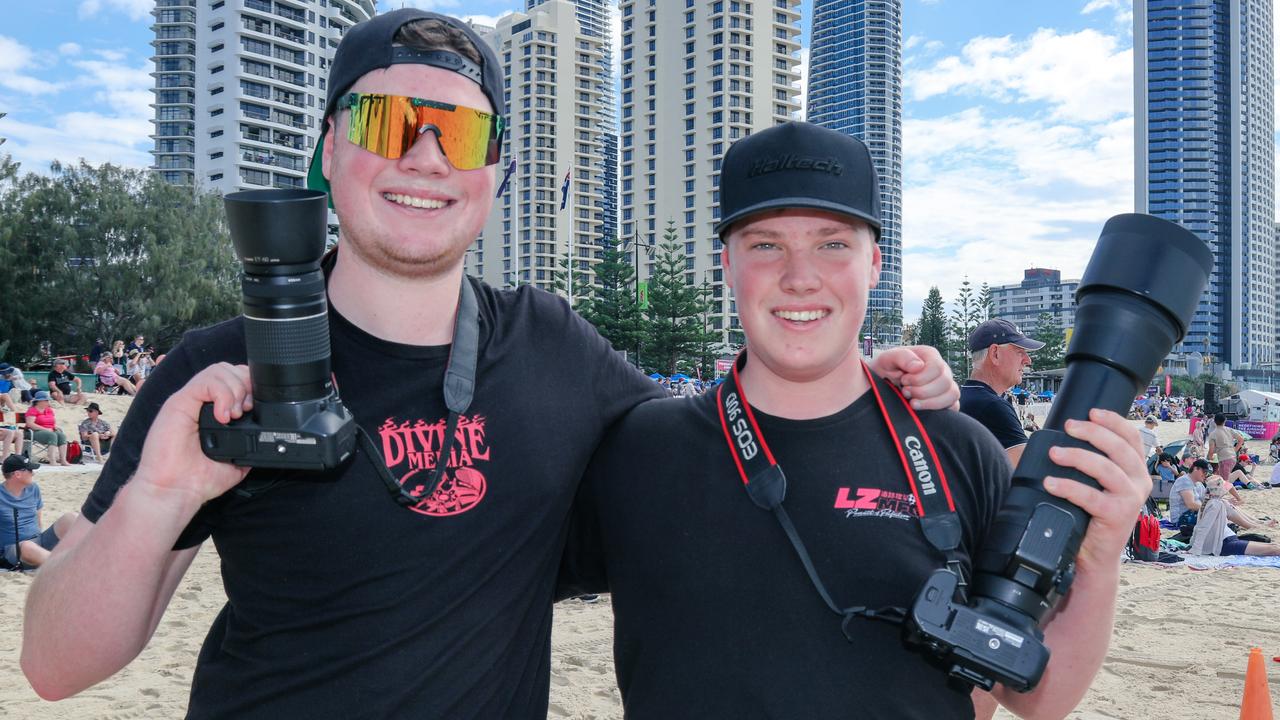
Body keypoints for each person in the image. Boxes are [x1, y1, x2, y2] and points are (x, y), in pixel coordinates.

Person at [19, 11, 958, 717]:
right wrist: (157, 497)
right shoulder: (226, 366)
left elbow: (729, 434)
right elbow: (57, 668)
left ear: (498, 170)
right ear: (330, 147)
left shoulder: (555, 344)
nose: (425, 156)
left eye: (460, 133)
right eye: (390, 122)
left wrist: (884, 381)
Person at [563, 122, 1153, 719]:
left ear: (874, 263)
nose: (800, 276)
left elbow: (1040, 698)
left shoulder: (957, 449)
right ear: (727, 265)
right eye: (766, 245)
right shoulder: (639, 450)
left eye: (832, 244)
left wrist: (1100, 559)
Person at [960, 318, 1044, 465]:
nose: (1028, 360)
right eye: (1020, 351)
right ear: (995, 354)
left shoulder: (962, 397)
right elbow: (1028, 471)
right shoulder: (992, 407)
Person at [1, 455, 78, 569]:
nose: (33, 473)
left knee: (71, 518)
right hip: (13, 550)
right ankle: (70, 567)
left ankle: (90, 554)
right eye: (30, 470)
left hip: (38, 541)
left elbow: (38, 520)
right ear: (17, 474)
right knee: (27, 547)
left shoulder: (33, 488)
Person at [1189, 475, 1280, 556]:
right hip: (1224, 544)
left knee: (1273, 547)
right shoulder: (1215, 504)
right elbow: (1203, 527)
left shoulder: (1213, 501)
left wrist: (1192, 544)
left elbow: (1199, 526)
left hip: (1227, 540)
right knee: (1273, 549)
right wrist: (1195, 550)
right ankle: (1256, 524)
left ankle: (1256, 523)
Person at [23, 391, 72, 467]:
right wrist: (45, 429)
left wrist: (54, 427)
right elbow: (30, 424)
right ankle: (52, 460)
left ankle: (63, 460)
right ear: (39, 401)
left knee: (62, 436)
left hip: (49, 430)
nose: (48, 402)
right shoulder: (32, 410)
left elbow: (51, 421)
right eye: (46, 400)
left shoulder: (49, 410)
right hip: (34, 431)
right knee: (52, 435)